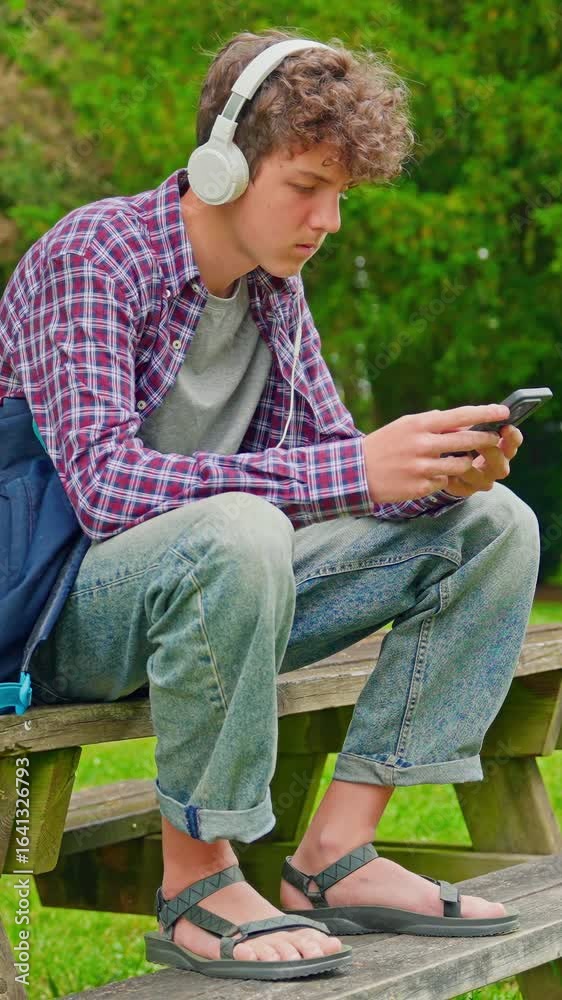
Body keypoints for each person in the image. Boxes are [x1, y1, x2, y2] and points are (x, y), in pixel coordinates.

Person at [0, 27, 540, 983]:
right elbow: (104, 488)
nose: (326, 220)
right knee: (240, 526)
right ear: (223, 164)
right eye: (305, 186)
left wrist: (434, 474)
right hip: (64, 614)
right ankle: (197, 882)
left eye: (341, 194)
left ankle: (338, 852)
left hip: (223, 596)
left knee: (494, 529)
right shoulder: (95, 254)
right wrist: (355, 470)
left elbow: (336, 469)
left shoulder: (274, 290)